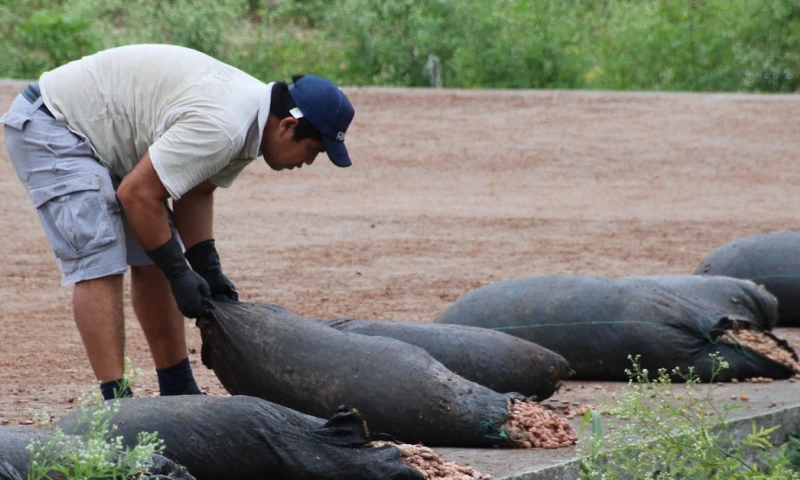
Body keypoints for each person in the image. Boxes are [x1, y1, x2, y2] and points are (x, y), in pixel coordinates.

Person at [0, 44, 355, 400]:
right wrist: (179, 271)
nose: (309, 161)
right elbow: (137, 195)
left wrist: (205, 266)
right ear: (288, 125)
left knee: (156, 256)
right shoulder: (225, 125)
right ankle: (116, 407)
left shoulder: (251, 123)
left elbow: (195, 190)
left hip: (105, 136)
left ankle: (178, 387)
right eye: (314, 150)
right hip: (55, 124)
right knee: (100, 262)